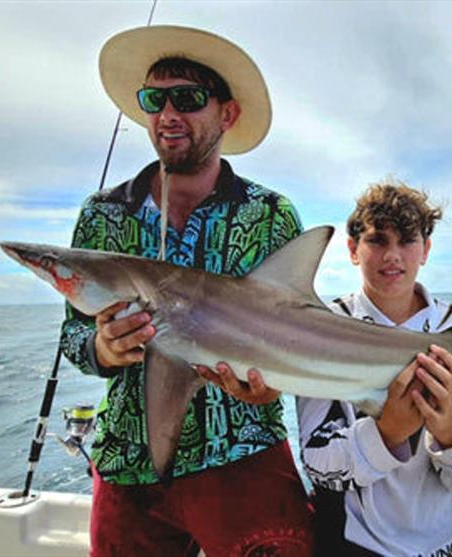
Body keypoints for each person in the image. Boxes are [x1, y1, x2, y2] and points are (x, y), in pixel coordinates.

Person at [60, 25, 313, 557]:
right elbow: (73, 338)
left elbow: (299, 332)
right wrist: (102, 350)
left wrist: (272, 387)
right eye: (155, 99)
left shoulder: (268, 215)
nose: (168, 113)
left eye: (189, 98)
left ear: (228, 113)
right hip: (130, 461)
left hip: (244, 452)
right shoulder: (102, 216)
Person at [297, 179, 452, 557]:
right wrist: (387, 432)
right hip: (361, 537)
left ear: (425, 250)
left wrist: (450, 432)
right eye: (377, 240)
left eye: (407, 240)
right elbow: (317, 463)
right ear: (352, 250)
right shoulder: (322, 326)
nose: (392, 255)